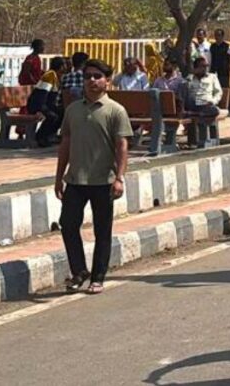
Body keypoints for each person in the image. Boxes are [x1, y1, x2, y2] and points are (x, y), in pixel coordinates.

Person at [54, 59, 132, 294]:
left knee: (102, 231)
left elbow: (122, 146)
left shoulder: (115, 110)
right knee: (68, 225)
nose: (92, 80)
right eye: (87, 76)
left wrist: (119, 178)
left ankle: (98, 277)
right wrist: (59, 177)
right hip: (75, 180)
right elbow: (65, 143)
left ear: (107, 80)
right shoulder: (73, 110)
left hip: (103, 181)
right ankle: (79, 271)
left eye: (97, 76)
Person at [28, 56, 67, 147]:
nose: (66, 67)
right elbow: (42, 94)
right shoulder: (50, 75)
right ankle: (40, 137)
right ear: (61, 66)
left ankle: (50, 135)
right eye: (64, 64)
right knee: (52, 116)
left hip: (46, 104)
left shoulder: (56, 76)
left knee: (63, 112)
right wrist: (42, 109)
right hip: (37, 104)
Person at [208, 29, 230, 117]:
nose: (217, 37)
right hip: (213, 71)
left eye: (219, 35)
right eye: (216, 35)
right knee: (213, 90)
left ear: (222, 36)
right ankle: (215, 108)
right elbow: (210, 59)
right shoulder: (212, 46)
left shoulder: (227, 46)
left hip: (224, 72)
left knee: (226, 90)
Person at [184, 57, 223, 121]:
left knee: (216, 110)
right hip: (193, 104)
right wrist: (192, 75)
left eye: (207, 66)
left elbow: (218, 92)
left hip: (206, 104)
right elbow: (184, 90)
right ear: (196, 68)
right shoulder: (190, 78)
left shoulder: (212, 77)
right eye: (203, 66)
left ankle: (194, 114)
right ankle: (199, 114)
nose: (206, 68)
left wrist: (213, 101)